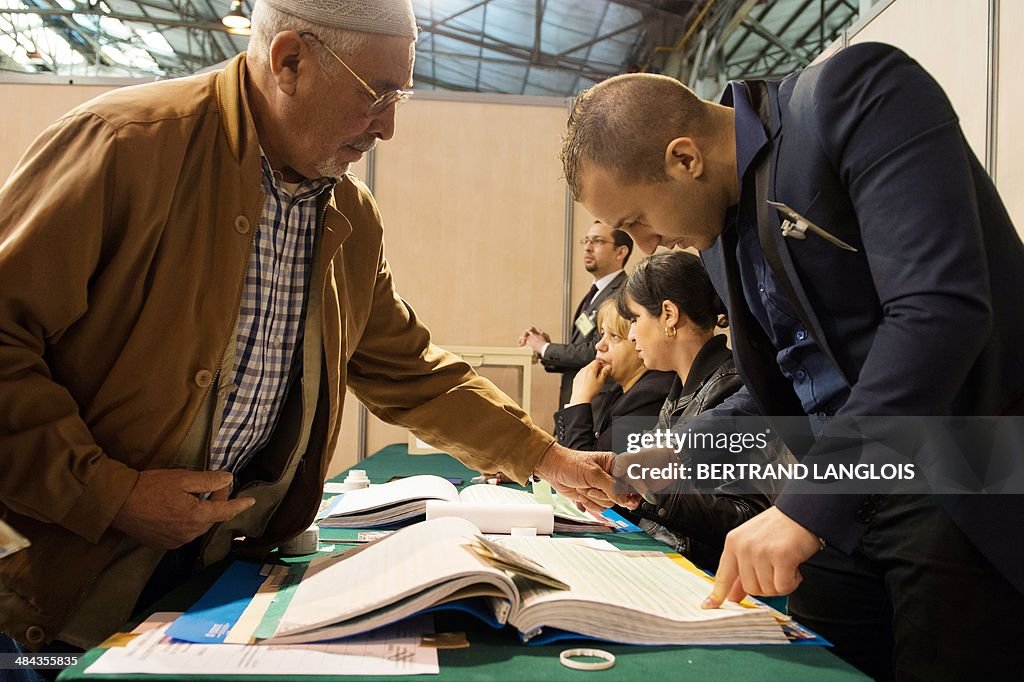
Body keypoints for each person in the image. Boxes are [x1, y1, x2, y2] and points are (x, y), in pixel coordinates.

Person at [0, 0, 623, 659]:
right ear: (289, 60)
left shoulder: (348, 214)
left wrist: (546, 457)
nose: (387, 128)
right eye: (377, 94)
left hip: (215, 577)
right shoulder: (127, 145)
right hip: (67, 587)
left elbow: (407, 369)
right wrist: (111, 493)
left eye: (400, 98)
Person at [560, 42, 1024, 680]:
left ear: (685, 157)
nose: (641, 246)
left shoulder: (855, 95)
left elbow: (938, 314)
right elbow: (781, 389)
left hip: (961, 471)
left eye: (635, 220)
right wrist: (659, 456)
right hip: (847, 502)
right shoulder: (719, 236)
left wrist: (807, 504)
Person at [614, 251, 777, 571]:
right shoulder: (682, 388)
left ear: (669, 314)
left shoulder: (730, 388)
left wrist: (654, 491)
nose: (631, 333)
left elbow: (747, 518)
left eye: (634, 319)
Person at [519, 221, 632, 412]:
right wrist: (547, 350)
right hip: (578, 401)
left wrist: (545, 347)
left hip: (598, 405)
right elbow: (584, 347)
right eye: (586, 241)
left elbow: (597, 350)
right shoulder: (595, 293)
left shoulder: (623, 293)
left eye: (597, 241)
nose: (587, 247)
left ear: (620, 252)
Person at [553, 299, 674, 452]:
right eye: (602, 334)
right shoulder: (620, 391)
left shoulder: (650, 397)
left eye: (615, 336)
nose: (600, 345)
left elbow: (587, 471)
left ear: (638, 342)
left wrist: (579, 400)